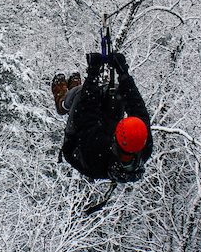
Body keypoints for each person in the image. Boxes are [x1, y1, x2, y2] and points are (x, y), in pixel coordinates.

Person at [52, 52, 153, 183]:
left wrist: (93, 73)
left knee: (81, 94)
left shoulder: (96, 155)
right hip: (104, 141)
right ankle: (77, 90)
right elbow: (137, 106)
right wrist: (123, 73)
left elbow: (86, 113)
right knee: (115, 93)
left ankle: (63, 103)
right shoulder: (143, 145)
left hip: (77, 146)